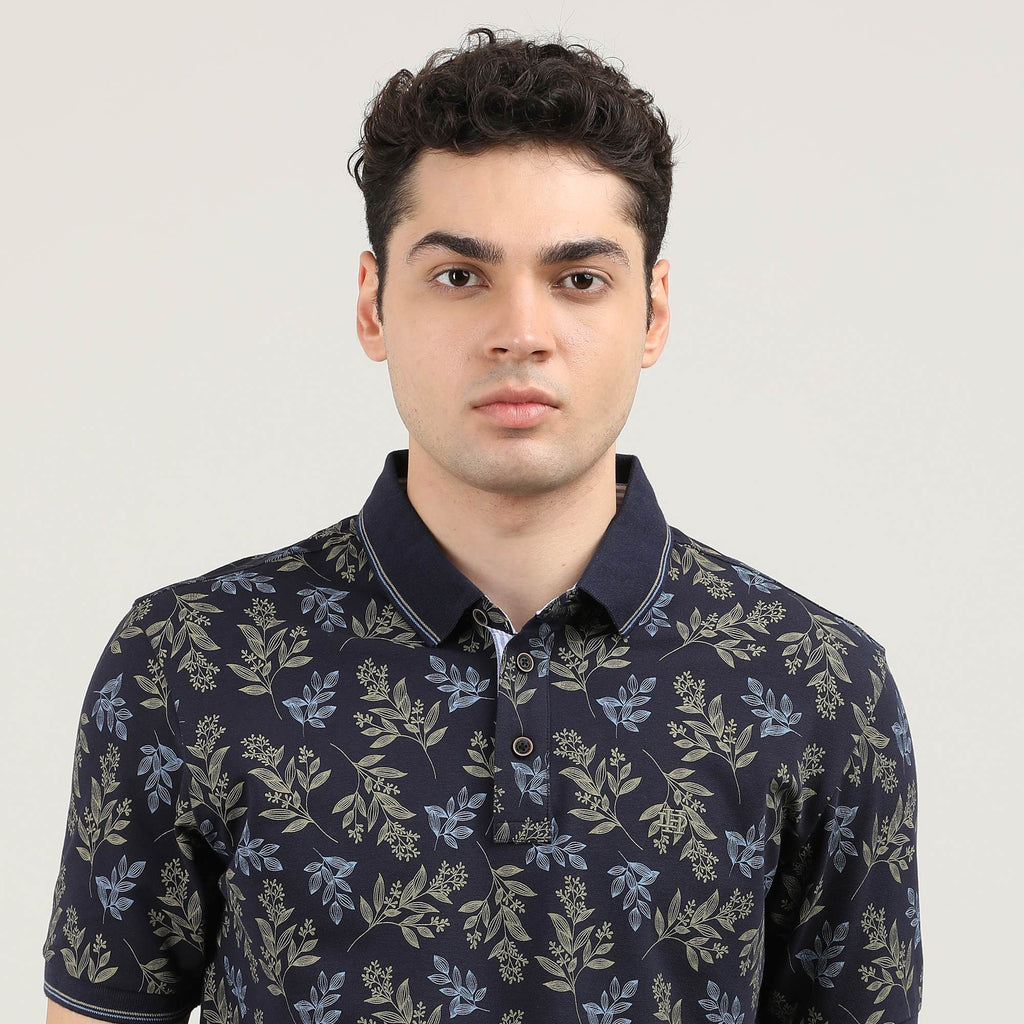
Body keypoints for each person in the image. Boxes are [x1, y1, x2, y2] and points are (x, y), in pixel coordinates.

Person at [43, 26, 923, 1024]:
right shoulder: (186, 660)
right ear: (373, 305)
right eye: (460, 276)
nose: (521, 333)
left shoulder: (819, 685)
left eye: (578, 278)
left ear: (653, 313)